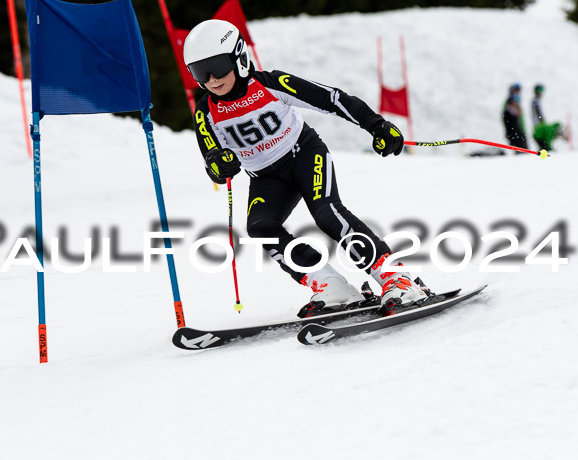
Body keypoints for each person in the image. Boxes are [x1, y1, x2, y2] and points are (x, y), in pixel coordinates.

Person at [183, 19, 430, 318]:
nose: (211, 79)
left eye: (218, 67)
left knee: (326, 213)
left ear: (239, 57)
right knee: (261, 228)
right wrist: (220, 166)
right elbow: (212, 162)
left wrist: (376, 126)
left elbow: (332, 99)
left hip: (303, 154)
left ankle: (396, 278)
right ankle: (331, 285)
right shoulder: (205, 112)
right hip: (265, 176)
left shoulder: (271, 84)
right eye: (199, 71)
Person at [530, 84, 563, 152]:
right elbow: (538, 113)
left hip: (539, 126)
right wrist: (542, 121)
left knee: (542, 145)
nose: (541, 93)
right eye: (540, 90)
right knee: (543, 143)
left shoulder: (537, 100)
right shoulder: (535, 101)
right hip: (539, 126)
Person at [502, 83, 527, 151]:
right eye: (516, 90)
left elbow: (519, 115)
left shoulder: (516, 103)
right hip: (514, 133)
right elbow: (508, 120)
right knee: (520, 150)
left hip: (519, 132)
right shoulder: (509, 104)